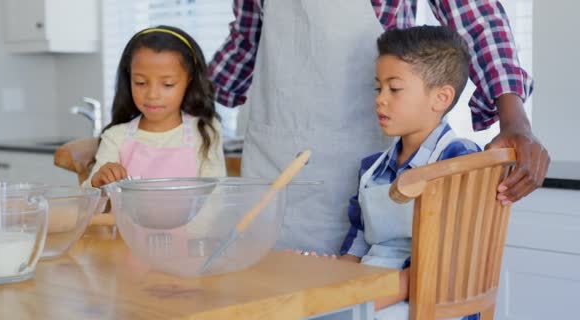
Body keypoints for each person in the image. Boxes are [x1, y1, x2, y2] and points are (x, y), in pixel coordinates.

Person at [208, 1, 549, 255]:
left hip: (367, 164)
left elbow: (478, 20)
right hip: (274, 162)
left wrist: (514, 119)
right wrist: (180, 96)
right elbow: (246, 40)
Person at [337, 25, 480, 319]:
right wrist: (333, 283)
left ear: (440, 98)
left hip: (435, 297)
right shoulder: (371, 169)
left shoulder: (460, 159)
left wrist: (372, 300)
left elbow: (452, 255)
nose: (380, 99)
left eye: (395, 88)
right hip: (374, 287)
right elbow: (358, 242)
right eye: (378, 88)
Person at [85, 26, 225, 188]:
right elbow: (91, 201)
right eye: (140, 83)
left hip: (196, 215)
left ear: (189, 81)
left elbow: (216, 197)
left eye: (167, 84)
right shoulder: (116, 137)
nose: (152, 95)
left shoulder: (205, 132)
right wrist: (97, 182)